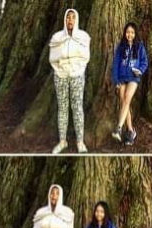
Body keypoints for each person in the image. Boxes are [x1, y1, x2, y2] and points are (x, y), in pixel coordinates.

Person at [49, 9, 91, 154]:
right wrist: (61, 70)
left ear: (77, 20)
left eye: (73, 18)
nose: (70, 20)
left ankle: (80, 141)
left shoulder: (83, 37)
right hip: (60, 76)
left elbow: (85, 57)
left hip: (77, 75)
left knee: (77, 107)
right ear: (65, 20)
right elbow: (53, 58)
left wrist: (76, 70)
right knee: (62, 107)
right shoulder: (57, 37)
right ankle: (62, 141)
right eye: (68, 17)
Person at [111, 22, 148, 146]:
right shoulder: (121, 46)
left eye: (132, 32)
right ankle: (131, 131)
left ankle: (118, 128)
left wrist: (140, 70)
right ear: (125, 33)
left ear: (135, 33)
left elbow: (144, 62)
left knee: (127, 99)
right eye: (128, 32)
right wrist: (116, 80)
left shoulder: (140, 46)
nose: (129, 35)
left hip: (133, 77)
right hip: (122, 77)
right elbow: (116, 63)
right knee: (124, 102)